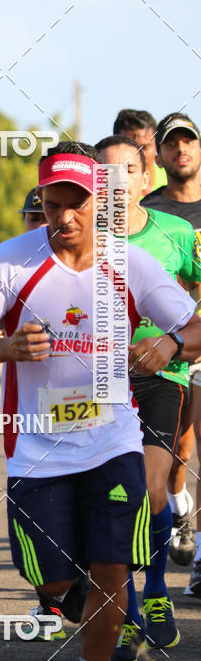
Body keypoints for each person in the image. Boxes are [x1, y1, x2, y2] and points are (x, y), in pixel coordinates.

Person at [0, 141, 201, 661]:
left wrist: (169, 344)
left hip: (112, 443)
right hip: (36, 450)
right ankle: (88, 605)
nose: (63, 217)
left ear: (97, 200)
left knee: (113, 571)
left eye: (76, 203)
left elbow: (193, 326)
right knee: (54, 580)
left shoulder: (129, 264)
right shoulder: (11, 262)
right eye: (51, 203)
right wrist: (5, 347)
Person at [97, 134, 201, 661]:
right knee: (112, 495)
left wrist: (174, 341)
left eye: (125, 172)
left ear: (145, 180)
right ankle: (129, 611)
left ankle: (156, 588)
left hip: (162, 377)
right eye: (104, 173)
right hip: (93, 380)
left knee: (153, 491)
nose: (115, 183)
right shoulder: (74, 236)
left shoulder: (178, 233)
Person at [141, 113, 201, 597]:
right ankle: (179, 509)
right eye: (172, 144)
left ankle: (200, 558)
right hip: (162, 355)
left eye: (190, 141)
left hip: (198, 342)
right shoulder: (144, 213)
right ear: (157, 157)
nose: (182, 150)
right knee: (178, 453)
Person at [113, 109, 167, 195]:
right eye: (130, 148)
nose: (138, 155)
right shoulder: (104, 187)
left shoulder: (172, 179)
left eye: (144, 147)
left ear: (156, 145)